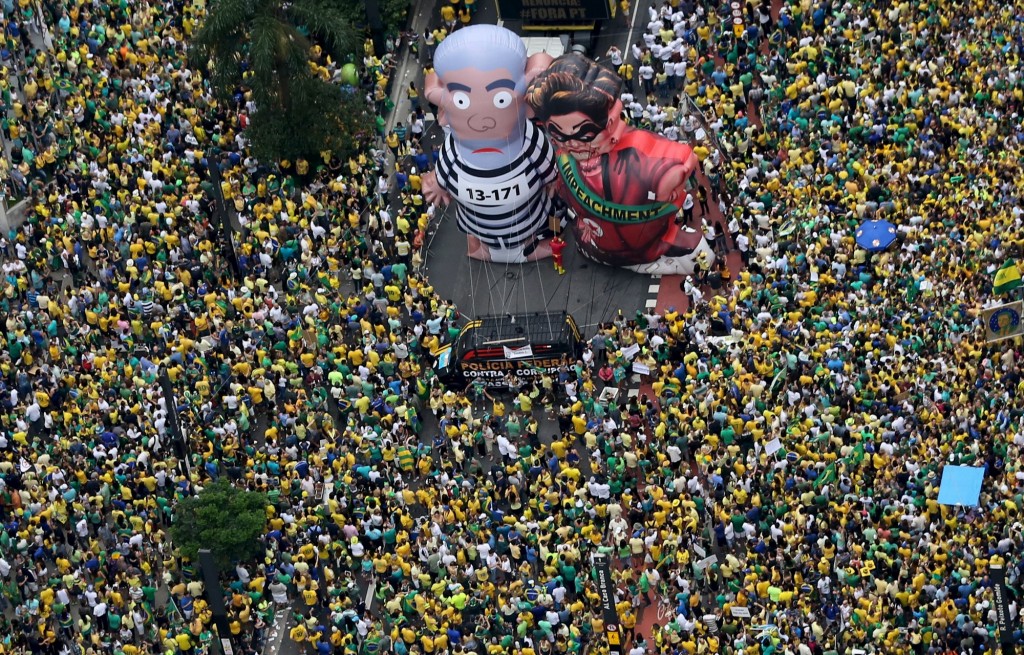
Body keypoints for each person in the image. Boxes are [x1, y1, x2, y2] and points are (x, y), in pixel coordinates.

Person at [528, 54, 714, 275]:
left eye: (585, 133)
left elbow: (667, 162)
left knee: (697, 253)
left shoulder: (633, 157)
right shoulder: (564, 156)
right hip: (592, 241)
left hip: (640, 246)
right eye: (557, 133)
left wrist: (667, 178)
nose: (573, 143)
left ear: (611, 123)